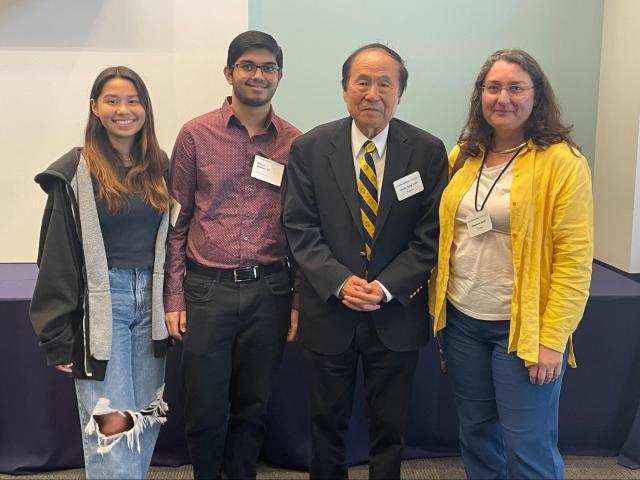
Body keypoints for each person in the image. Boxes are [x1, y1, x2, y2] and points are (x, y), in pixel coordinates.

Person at [283, 44, 448, 480]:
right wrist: (339, 281)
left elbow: (430, 236)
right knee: (325, 423)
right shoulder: (310, 148)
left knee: (390, 427)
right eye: (362, 81)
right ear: (344, 90)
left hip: (395, 312)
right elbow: (299, 227)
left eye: (384, 83)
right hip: (330, 310)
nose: (372, 93)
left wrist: (387, 285)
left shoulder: (428, 152)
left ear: (400, 93)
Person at [430, 49, 593, 479]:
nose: (503, 97)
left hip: (523, 329)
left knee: (528, 444)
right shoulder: (464, 154)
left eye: (516, 87)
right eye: (493, 87)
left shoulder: (563, 162)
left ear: (536, 95)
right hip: (464, 320)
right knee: (477, 434)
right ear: (480, 95)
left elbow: (574, 262)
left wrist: (553, 339)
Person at [164, 30, 301, 479]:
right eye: (247, 66)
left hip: (272, 291)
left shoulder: (296, 144)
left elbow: (301, 229)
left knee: (253, 406)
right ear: (229, 72)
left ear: (279, 76)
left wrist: (297, 301)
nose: (257, 75)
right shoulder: (195, 134)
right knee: (204, 408)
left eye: (267, 67)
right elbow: (176, 222)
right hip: (207, 290)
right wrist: (175, 298)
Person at [29, 66, 171, 479]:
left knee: (143, 417)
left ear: (145, 108)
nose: (123, 109)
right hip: (102, 305)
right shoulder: (75, 170)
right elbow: (55, 255)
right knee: (110, 425)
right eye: (112, 100)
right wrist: (56, 334)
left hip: (152, 304)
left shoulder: (158, 165)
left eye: (132, 100)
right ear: (95, 107)